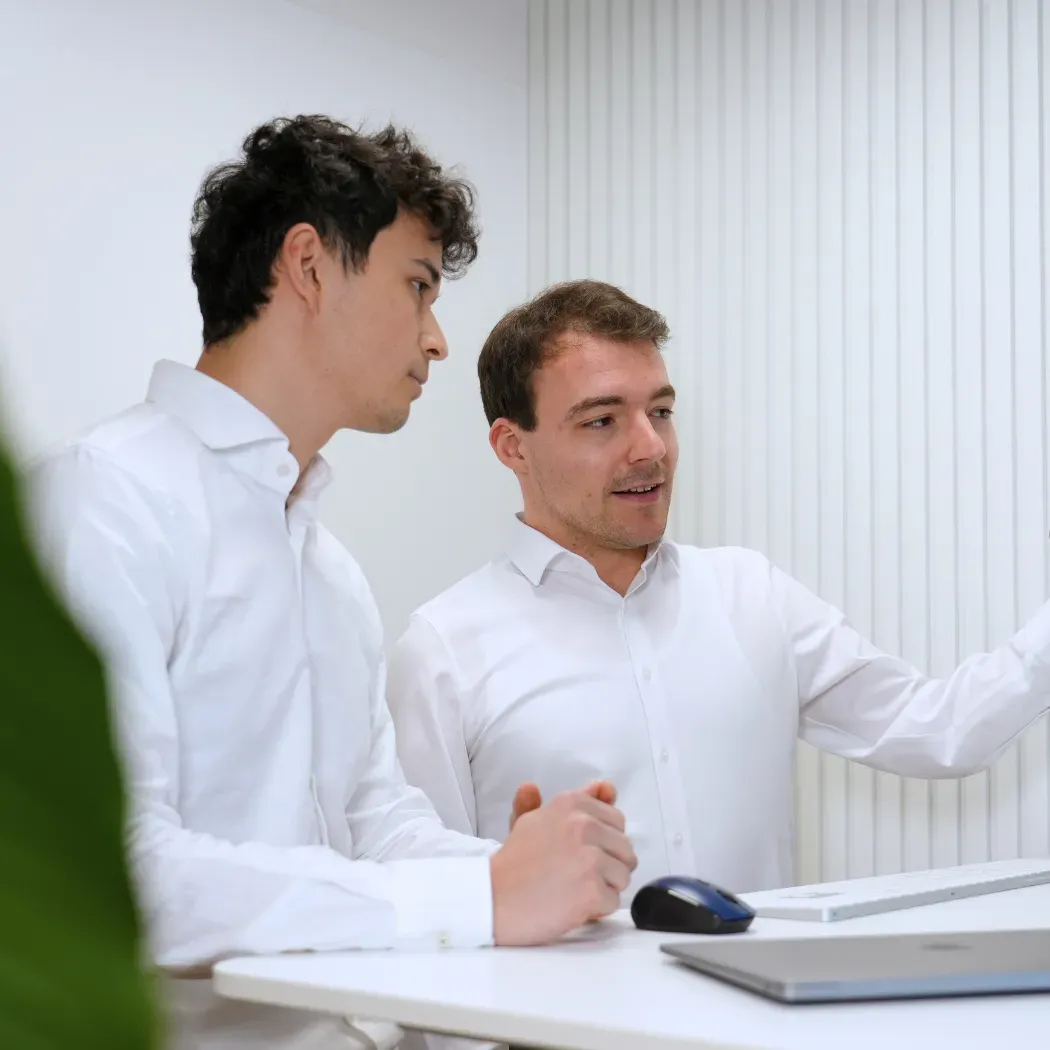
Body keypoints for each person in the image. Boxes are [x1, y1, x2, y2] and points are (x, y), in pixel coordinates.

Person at [29, 121, 636, 1050]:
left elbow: (374, 825)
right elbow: (114, 871)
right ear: (308, 265)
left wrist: (517, 868)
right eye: (419, 286)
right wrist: (480, 894)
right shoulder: (101, 505)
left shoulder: (327, 568)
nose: (437, 342)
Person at [386, 278, 1050, 901]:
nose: (651, 447)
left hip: (754, 1026)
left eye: (662, 411)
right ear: (512, 447)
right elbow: (427, 893)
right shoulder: (444, 651)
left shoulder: (752, 597)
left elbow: (942, 731)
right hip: (559, 1027)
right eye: (602, 421)